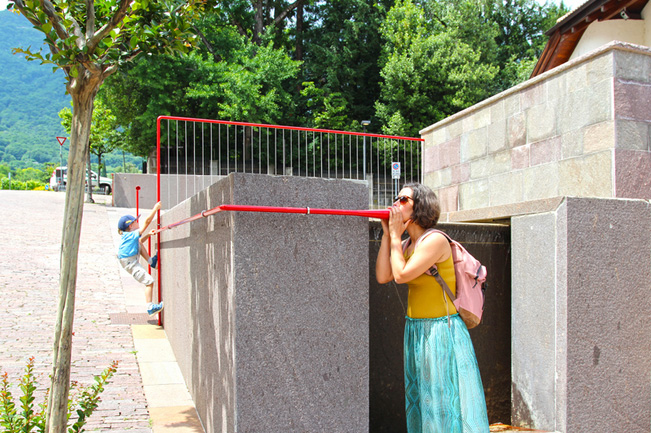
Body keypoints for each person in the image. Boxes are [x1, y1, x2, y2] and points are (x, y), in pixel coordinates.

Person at [375, 183, 489, 433]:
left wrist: (395, 236)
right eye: (397, 198)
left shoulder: (435, 240)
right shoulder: (405, 246)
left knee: (445, 400)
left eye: (403, 199)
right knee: (425, 399)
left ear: (420, 208)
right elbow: (384, 276)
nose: (396, 203)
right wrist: (388, 235)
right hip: (416, 330)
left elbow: (401, 275)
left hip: (442, 331)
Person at [117, 201, 163, 316]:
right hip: (130, 263)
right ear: (130, 226)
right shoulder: (130, 234)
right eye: (136, 221)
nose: (138, 222)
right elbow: (147, 222)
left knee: (138, 242)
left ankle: (152, 262)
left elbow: (140, 243)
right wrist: (155, 208)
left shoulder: (129, 236)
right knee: (149, 282)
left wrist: (148, 235)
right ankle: (150, 307)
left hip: (129, 260)